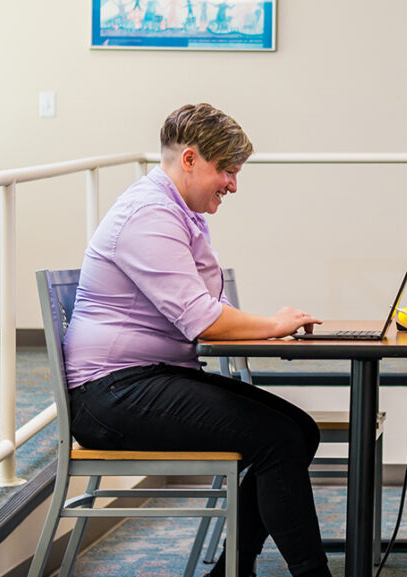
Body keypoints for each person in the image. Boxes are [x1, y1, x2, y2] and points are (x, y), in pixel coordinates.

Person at [63, 103, 331, 577]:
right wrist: (274, 323)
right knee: (278, 438)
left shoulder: (175, 209)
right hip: (111, 394)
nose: (232, 183)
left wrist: (266, 323)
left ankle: (232, 569)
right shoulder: (148, 214)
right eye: (226, 170)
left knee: (299, 431)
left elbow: (201, 306)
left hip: (146, 380)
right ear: (190, 159)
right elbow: (202, 320)